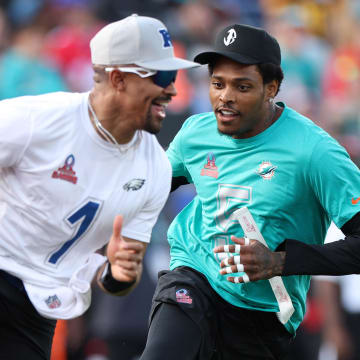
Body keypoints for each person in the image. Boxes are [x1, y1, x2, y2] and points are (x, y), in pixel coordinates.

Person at [139, 23, 360, 360]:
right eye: (217, 84)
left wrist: (280, 261)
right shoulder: (195, 134)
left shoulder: (315, 152)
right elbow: (148, 189)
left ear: (272, 88)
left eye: (242, 86)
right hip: (194, 275)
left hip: (262, 313)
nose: (225, 96)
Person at [0, 13, 199, 360]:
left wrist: (119, 273)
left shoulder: (155, 169)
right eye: (162, 76)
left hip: (39, 309)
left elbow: (116, 280)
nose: (171, 89)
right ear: (119, 78)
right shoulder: (38, 119)